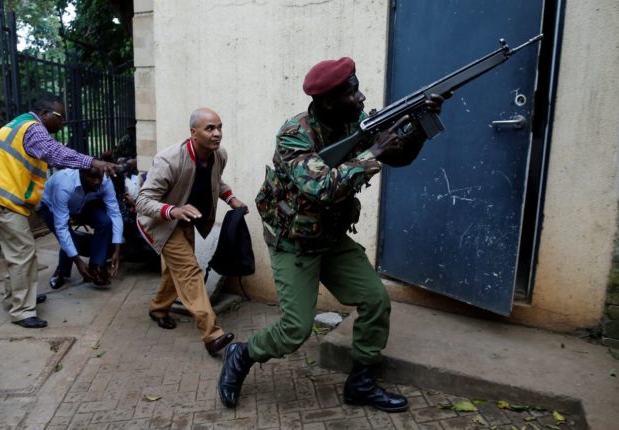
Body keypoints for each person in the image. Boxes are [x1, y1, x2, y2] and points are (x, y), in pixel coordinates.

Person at [217, 57, 446, 412]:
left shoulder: (355, 122)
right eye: (352, 92)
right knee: (295, 330)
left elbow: (398, 158)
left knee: (375, 300)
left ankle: (361, 382)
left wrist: (417, 126)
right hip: (293, 242)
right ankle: (242, 354)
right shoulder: (294, 134)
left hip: (331, 238)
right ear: (327, 101)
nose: (361, 96)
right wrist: (374, 152)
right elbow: (320, 187)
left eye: (357, 88)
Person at [0, 95, 118, 329]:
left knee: (17, 253)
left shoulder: (23, 125)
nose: (63, 122)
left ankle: (17, 298)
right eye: (60, 117)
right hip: (2, 199)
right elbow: (55, 153)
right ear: (45, 114)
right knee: (23, 253)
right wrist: (92, 162)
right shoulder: (32, 128)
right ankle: (22, 310)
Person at [136, 108, 246, 356]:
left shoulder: (219, 155)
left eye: (219, 127)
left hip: (186, 220)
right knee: (189, 272)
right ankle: (212, 334)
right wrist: (174, 211)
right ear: (193, 133)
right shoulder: (169, 160)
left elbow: (216, 181)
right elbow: (142, 201)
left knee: (174, 271)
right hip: (162, 222)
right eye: (210, 128)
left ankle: (158, 308)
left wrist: (231, 198)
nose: (217, 133)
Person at [38, 167, 124, 288]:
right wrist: (78, 262)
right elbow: (62, 228)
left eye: (99, 177)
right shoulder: (64, 184)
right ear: (82, 174)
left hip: (85, 202)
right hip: (51, 207)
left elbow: (114, 213)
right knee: (70, 238)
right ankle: (61, 271)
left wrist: (117, 249)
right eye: (93, 178)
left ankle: (95, 267)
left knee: (105, 222)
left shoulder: (105, 180)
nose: (97, 181)